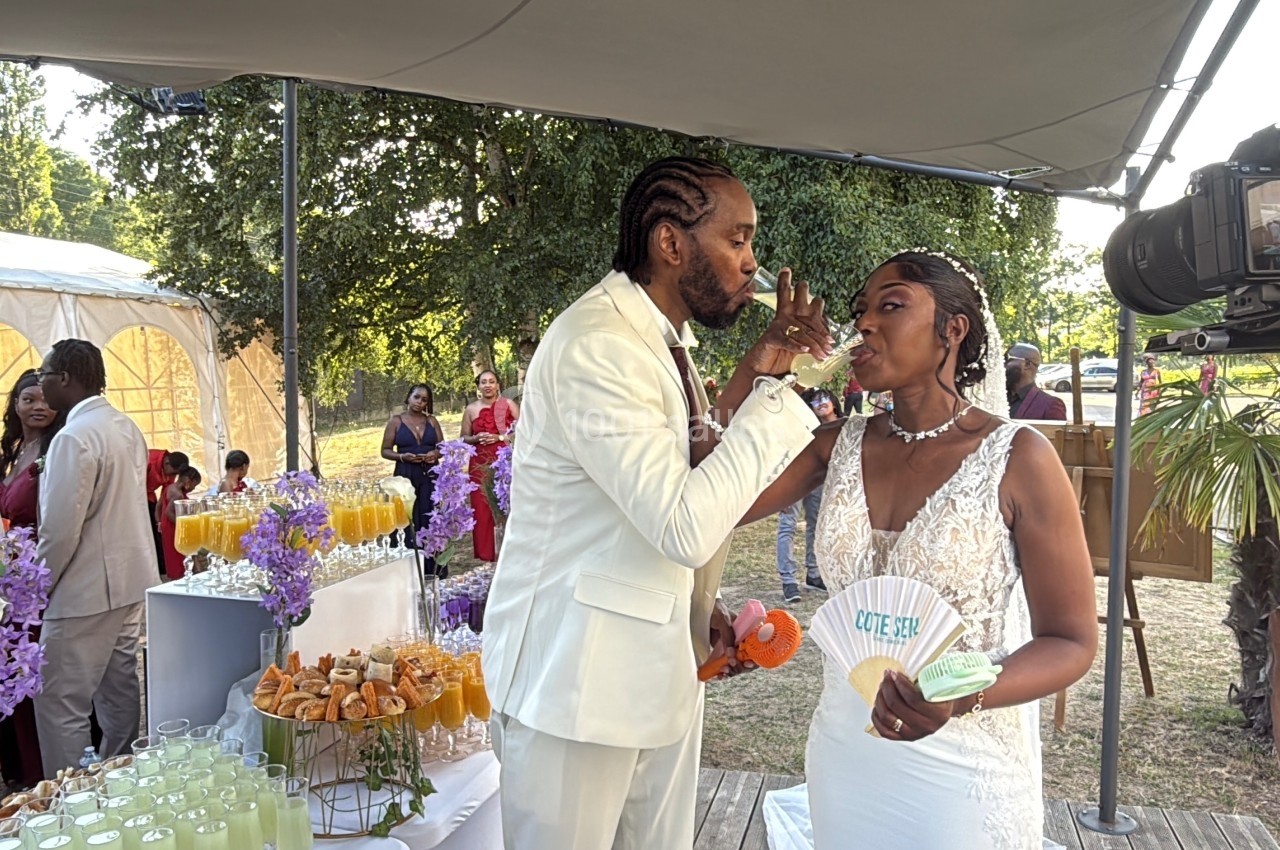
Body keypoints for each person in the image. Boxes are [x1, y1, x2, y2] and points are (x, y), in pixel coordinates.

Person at [482, 156, 829, 850]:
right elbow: (681, 523)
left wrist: (700, 605)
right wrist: (781, 398)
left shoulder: (662, 343)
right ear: (671, 244)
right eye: (738, 240)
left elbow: (682, 477)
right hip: (575, 689)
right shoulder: (598, 346)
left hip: (659, 669)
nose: (753, 266)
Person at [741, 250, 1097, 849]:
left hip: (964, 770)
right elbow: (710, 499)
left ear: (952, 330)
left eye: (892, 305)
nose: (866, 325)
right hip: (845, 755)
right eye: (860, 312)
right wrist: (767, 367)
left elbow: (1072, 642)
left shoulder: (1019, 457)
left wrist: (965, 696)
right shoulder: (834, 445)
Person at [34, 339, 159, 775]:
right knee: (118, 690)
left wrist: (36, 589)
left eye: (44, 374)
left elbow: (60, 530)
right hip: (130, 580)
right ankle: (119, 776)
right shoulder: (124, 426)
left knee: (59, 702)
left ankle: (67, 801)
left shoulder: (74, 436)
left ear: (65, 378)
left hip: (84, 589)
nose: (40, 383)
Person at [0, 370, 64, 789]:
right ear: (15, 405)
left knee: (35, 672)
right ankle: (18, 771)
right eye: (29, 399)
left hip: (40, 579)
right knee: (8, 668)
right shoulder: (11, 453)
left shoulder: (58, 450)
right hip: (8, 578)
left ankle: (43, 772)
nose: (38, 406)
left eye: (45, 399)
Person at [776, 388, 839, 603]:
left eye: (824, 398)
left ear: (833, 401)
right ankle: (789, 581)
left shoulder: (843, 424)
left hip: (820, 481)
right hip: (794, 479)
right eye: (814, 401)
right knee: (788, 525)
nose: (820, 403)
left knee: (816, 526)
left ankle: (813, 574)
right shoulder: (799, 424)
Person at [381, 384, 443, 563]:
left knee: (430, 516)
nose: (419, 402)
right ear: (408, 397)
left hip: (430, 474)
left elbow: (442, 447)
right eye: (416, 397)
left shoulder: (431, 421)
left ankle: (432, 567)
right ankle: (409, 564)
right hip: (405, 475)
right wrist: (402, 456)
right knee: (408, 517)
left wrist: (434, 454)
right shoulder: (396, 422)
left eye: (424, 400)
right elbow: (385, 450)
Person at [460, 371, 518, 563]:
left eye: (491, 382)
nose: (488, 385)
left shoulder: (509, 405)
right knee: (483, 507)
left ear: (498, 384)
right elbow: (464, 438)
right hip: (479, 464)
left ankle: (511, 554)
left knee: (507, 505)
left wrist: (499, 437)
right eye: (483, 382)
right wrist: (475, 438)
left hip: (504, 462)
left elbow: (523, 432)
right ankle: (487, 556)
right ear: (478, 386)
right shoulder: (471, 409)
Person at [145, 449, 188, 577]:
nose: (171, 476)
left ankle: (162, 567)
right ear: (167, 463)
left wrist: (159, 518)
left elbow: (166, 492)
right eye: (173, 473)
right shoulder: (148, 461)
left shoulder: (171, 469)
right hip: (136, 495)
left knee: (157, 531)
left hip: (149, 496)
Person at [159, 467, 203, 581]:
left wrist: (158, 521)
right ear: (188, 481)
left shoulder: (169, 487)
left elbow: (159, 506)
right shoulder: (178, 495)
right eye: (194, 485)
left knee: (172, 555)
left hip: (166, 526)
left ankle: (178, 576)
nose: (193, 488)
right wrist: (183, 527)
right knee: (178, 555)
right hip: (174, 527)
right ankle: (180, 577)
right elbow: (169, 512)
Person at [1005, 342, 1067, 420]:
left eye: (1006, 358)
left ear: (1027, 364)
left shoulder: (1050, 405)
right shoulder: (997, 397)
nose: (1002, 363)